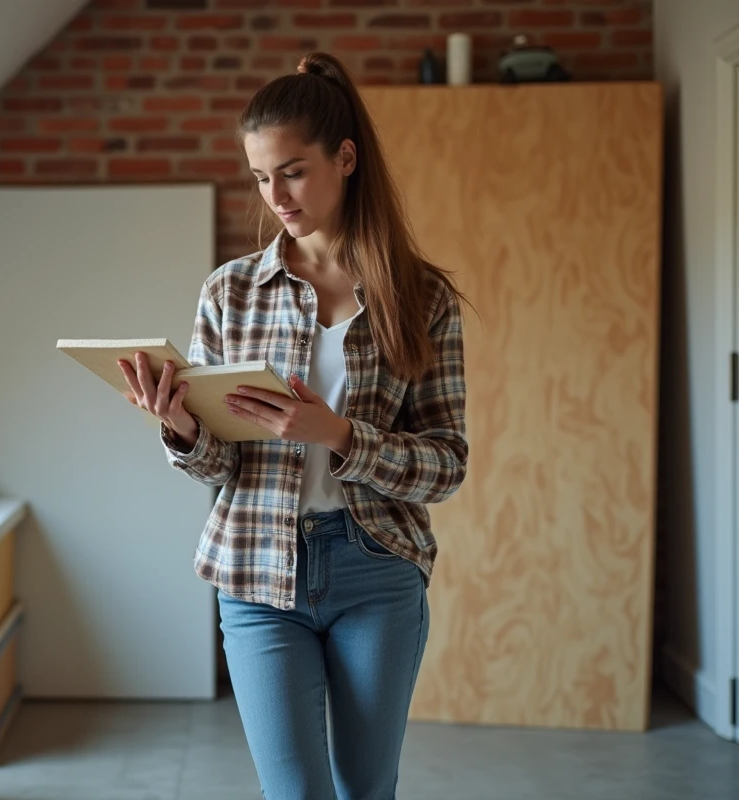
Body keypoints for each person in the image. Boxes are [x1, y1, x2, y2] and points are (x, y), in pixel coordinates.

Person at [117, 52, 469, 800]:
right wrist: (181, 427)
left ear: (345, 159)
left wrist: (338, 434)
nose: (274, 195)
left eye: (293, 171)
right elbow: (220, 465)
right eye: (259, 177)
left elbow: (447, 464)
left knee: (366, 789)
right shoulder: (231, 292)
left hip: (376, 568)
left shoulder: (421, 296)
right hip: (255, 571)